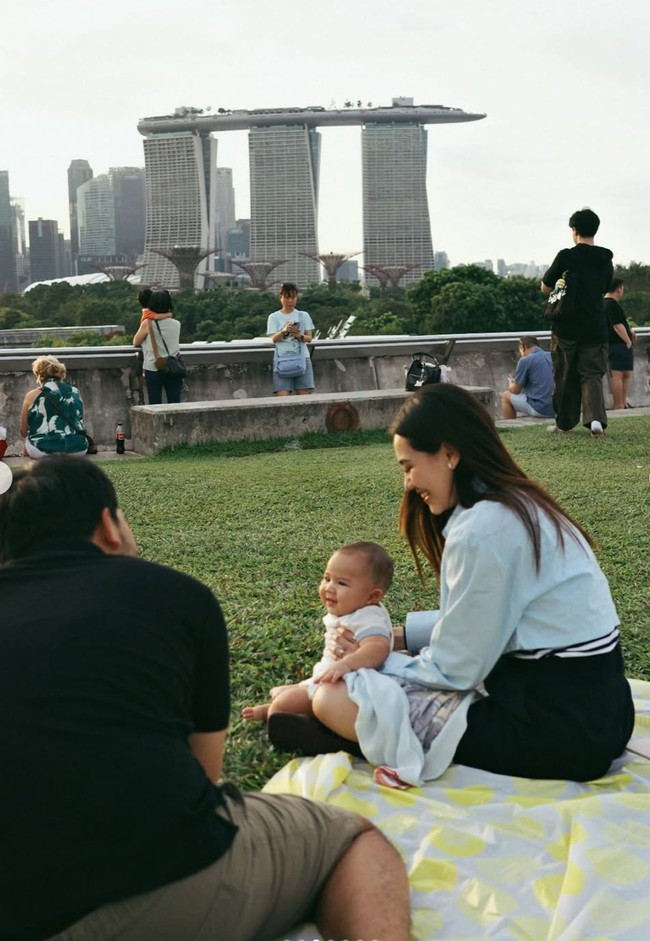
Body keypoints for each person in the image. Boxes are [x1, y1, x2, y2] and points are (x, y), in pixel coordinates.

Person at [0, 456, 409, 941]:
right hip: (156, 883)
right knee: (354, 841)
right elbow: (205, 777)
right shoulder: (177, 598)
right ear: (109, 525)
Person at [284, 384, 634, 784]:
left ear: (450, 454)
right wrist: (397, 636)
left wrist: (374, 663)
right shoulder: (519, 504)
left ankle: (347, 735)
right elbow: (490, 620)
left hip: (554, 732)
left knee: (337, 698)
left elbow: (457, 669)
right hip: (603, 714)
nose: (408, 483)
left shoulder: (481, 530)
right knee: (359, 686)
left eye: (408, 466)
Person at [242, 542, 393, 745]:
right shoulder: (354, 611)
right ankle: (299, 692)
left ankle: (279, 711)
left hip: (350, 689)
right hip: (332, 678)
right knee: (292, 695)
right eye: (327, 578)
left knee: (283, 705)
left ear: (372, 596)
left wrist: (346, 664)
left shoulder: (367, 617)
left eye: (342, 583)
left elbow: (378, 647)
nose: (329, 587)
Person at [541, 207, 613, 438]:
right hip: (594, 326)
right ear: (595, 229)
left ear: (574, 230)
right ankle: (595, 422)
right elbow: (604, 288)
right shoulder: (605, 258)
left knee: (564, 374)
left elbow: (545, 286)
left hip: (566, 327)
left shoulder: (566, 257)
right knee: (591, 375)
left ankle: (564, 423)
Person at [19, 354, 88, 458]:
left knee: (28, 440)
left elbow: (23, 431)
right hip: (77, 449)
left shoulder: (31, 396)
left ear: (38, 374)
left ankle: (29, 469)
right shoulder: (75, 392)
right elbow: (80, 421)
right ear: (60, 372)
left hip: (43, 451)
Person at [133, 289, 183, 405]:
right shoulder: (177, 324)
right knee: (175, 404)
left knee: (155, 405)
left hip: (153, 368)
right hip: (173, 367)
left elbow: (136, 341)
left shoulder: (148, 323)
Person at [267, 282, 315, 395]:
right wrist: (284, 331)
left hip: (302, 357)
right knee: (282, 397)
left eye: (293, 298)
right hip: (282, 359)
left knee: (304, 397)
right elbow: (274, 339)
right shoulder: (274, 317)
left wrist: (300, 336)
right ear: (281, 298)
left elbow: (309, 338)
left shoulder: (303, 315)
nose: (290, 301)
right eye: (287, 297)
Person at [500, 336, 554, 420]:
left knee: (505, 396)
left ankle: (510, 426)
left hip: (540, 408)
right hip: (558, 408)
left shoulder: (525, 360)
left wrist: (511, 384)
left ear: (522, 347)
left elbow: (515, 390)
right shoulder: (552, 356)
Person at [604, 277, 636, 410]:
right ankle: (619, 404)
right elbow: (617, 325)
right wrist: (628, 340)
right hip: (618, 344)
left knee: (625, 373)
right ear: (618, 289)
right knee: (619, 374)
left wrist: (630, 331)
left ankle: (622, 403)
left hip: (611, 343)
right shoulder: (612, 304)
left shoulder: (603, 303)